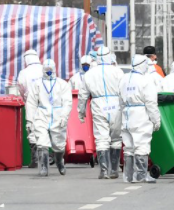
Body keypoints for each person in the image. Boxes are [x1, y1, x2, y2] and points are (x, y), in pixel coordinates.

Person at [78, 46, 124, 179]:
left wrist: (81, 112)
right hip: (116, 104)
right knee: (116, 138)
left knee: (101, 137)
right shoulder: (118, 72)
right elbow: (124, 90)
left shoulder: (89, 74)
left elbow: (82, 95)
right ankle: (114, 170)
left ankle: (104, 170)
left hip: (98, 105)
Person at [25, 59, 72, 176]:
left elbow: (67, 102)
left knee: (59, 144)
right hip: (41, 115)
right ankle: (43, 167)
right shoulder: (37, 84)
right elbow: (31, 103)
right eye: (47, 70)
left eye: (51, 70)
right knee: (42, 142)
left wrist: (64, 116)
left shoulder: (62, 84)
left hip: (58, 115)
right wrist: (30, 120)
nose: (49, 72)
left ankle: (59, 161)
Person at [119, 55, 161, 184]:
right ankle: (141, 175)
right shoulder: (146, 80)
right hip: (140, 114)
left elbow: (120, 99)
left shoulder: (124, 79)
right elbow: (151, 103)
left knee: (129, 146)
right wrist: (156, 120)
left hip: (126, 113)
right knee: (142, 144)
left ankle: (128, 175)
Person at [17, 49, 44, 168]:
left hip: (31, 102)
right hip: (46, 102)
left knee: (32, 127)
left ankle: (35, 159)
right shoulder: (45, 68)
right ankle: (48, 157)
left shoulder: (24, 72)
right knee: (46, 126)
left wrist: (25, 100)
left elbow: (21, 88)